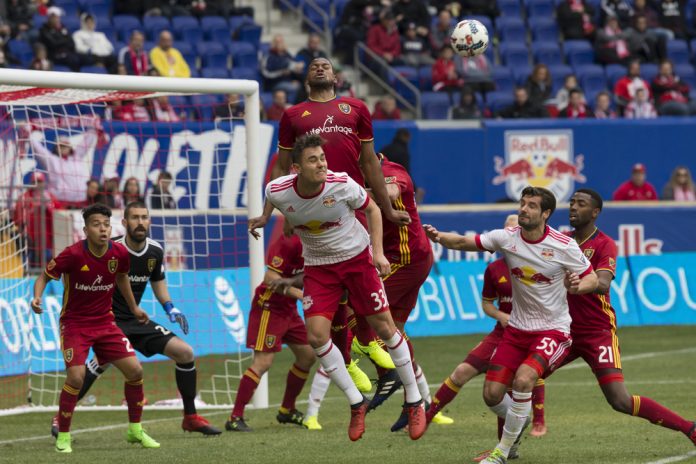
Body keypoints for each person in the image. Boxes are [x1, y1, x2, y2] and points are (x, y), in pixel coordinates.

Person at [249, 134, 426, 442]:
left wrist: (378, 253)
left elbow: (372, 209)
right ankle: (357, 404)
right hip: (318, 268)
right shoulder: (277, 189)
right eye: (313, 160)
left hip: (357, 260)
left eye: (322, 158)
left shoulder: (341, 183)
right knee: (317, 337)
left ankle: (414, 399)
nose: (321, 164)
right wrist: (265, 218)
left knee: (384, 329)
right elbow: (273, 199)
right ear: (296, 168)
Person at [423, 186, 598, 463]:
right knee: (492, 395)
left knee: (524, 379)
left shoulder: (563, 245)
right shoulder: (506, 238)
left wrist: (578, 286)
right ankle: (520, 416)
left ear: (546, 213)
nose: (524, 209)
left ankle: (501, 452)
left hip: (553, 329)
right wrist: (438, 237)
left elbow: (593, 279)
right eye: (523, 203)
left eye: (531, 205)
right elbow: (462, 243)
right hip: (516, 330)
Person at [274, 57, 409, 402]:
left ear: (336, 76)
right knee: (330, 297)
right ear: (306, 77)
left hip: (352, 206)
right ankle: (353, 359)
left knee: (362, 291)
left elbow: (368, 161)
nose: (318, 67)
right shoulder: (292, 116)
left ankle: (367, 349)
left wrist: (388, 207)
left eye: (325, 64)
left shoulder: (356, 109)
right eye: (313, 64)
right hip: (312, 210)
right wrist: (284, 210)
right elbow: (282, 166)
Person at [50, 201, 220, 438]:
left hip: (136, 320)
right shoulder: (110, 248)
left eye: (144, 217)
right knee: (99, 363)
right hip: (107, 321)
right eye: (135, 218)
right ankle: (61, 417)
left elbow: (157, 282)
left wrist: (170, 307)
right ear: (124, 222)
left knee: (185, 353)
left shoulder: (155, 251)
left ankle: (191, 417)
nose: (140, 222)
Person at [560, 189, 696, 445]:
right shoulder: (561, 241)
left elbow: (602, 283)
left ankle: (690, 429)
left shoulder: (604, 244)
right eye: (572, 203)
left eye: (580, 204)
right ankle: (506, 446)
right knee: (526, 376)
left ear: (595, 212)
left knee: (620, 401)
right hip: (562, 332)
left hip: (596, 332)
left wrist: (579, 284)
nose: (573, 207)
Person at [31, 204, 159, 453]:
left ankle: (135, 430)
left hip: (105, 322)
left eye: (106, 224)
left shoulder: (119, 253)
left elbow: (121, 277)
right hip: (75, 324)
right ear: (86, 229)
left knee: (135, 371)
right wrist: (37, 297)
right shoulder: (73, 254)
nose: (102, 229)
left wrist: (133, 308)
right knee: (76, 377)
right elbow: (45, 276)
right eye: (96, 224)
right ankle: (64, 436)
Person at [424, 215, 548, 461]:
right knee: (461, 372)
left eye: (515, 227)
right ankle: (424, 419)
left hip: (528, 333)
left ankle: (511, 444)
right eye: (506, 228)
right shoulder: (494, 269)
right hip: (500, 333)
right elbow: (486, 304)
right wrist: (501, 315)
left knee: (518, 381)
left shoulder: (538, 263)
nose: (510, 232)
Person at [225, 233, 315, 432]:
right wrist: (301, 295)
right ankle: (235, 417)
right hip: (269, 307)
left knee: (307, 355)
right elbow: (270, 278)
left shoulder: (314, 239)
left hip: (288, 309)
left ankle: (286, 410)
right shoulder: (287, 243)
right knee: (263, 362)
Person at [30, 129, 97, 207]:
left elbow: (87, 143)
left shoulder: (77, 157)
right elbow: (38, 149)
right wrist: (30, 136)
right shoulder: (51, 160)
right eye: (60, 146)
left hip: (80, 200)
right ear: (56, 148)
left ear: (70, 147)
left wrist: (94, 129)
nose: (63, 148)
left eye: (65, 145)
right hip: (59, 201)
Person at [12, 172, 61, 269]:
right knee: (30, 272)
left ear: (44, 183)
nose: (37, 184)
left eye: (39, 181)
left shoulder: (51, 198)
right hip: (30, 244)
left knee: (50, 273)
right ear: (31, 183)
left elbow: (60, 217)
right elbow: (18, 221)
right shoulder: (23, 199)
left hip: (48, 244)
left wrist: (47, 206)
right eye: (34, 181)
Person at [39, 7, 91, 72]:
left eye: (58, 17)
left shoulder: (62, 28)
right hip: (54, 56)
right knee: (73, 59)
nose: (57, 19)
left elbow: (71, 42)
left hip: (67, 53)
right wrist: (64, 40)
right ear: (49, 17)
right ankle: (76, 79)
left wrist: (63, 40)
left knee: (87, 58)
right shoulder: (44, 30)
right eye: (54, 17)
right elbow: (53, 44)